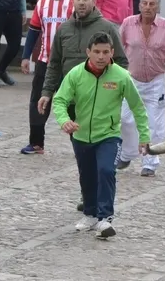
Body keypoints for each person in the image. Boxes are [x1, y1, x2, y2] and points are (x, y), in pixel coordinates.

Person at [52, 32, 150, 239]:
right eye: (96, 51)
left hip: (109, 136)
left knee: (106, 170)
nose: (101, 56)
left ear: (112, 52)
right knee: (87, 176)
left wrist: (144, 136)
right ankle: (90, 214)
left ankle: (105, 218)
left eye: (105, 52)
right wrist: (64, 120)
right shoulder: (76, 74)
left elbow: (138, 107)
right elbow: (60, 100)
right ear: (88, 52)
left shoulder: (122, 76)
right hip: (81, 136)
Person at [117, 0, 165, 176]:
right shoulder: (127, 24)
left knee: (154, 123)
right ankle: (127, 153)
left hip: (156, 80)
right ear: (139, 5)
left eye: (152, 4)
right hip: (131, 78)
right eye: (145, 3)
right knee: (125, 118)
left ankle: (150, 162)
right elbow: (116, 49)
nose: (148, 7)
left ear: (157, 7)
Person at [20, 0, 73, 155]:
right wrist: (26, 56)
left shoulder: (74, 2)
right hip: (45, 62)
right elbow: (34, 31)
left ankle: (82, 145)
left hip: (69, 64)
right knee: (38, 101)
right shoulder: (42, 3)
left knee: (74, 105)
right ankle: (36, 143)